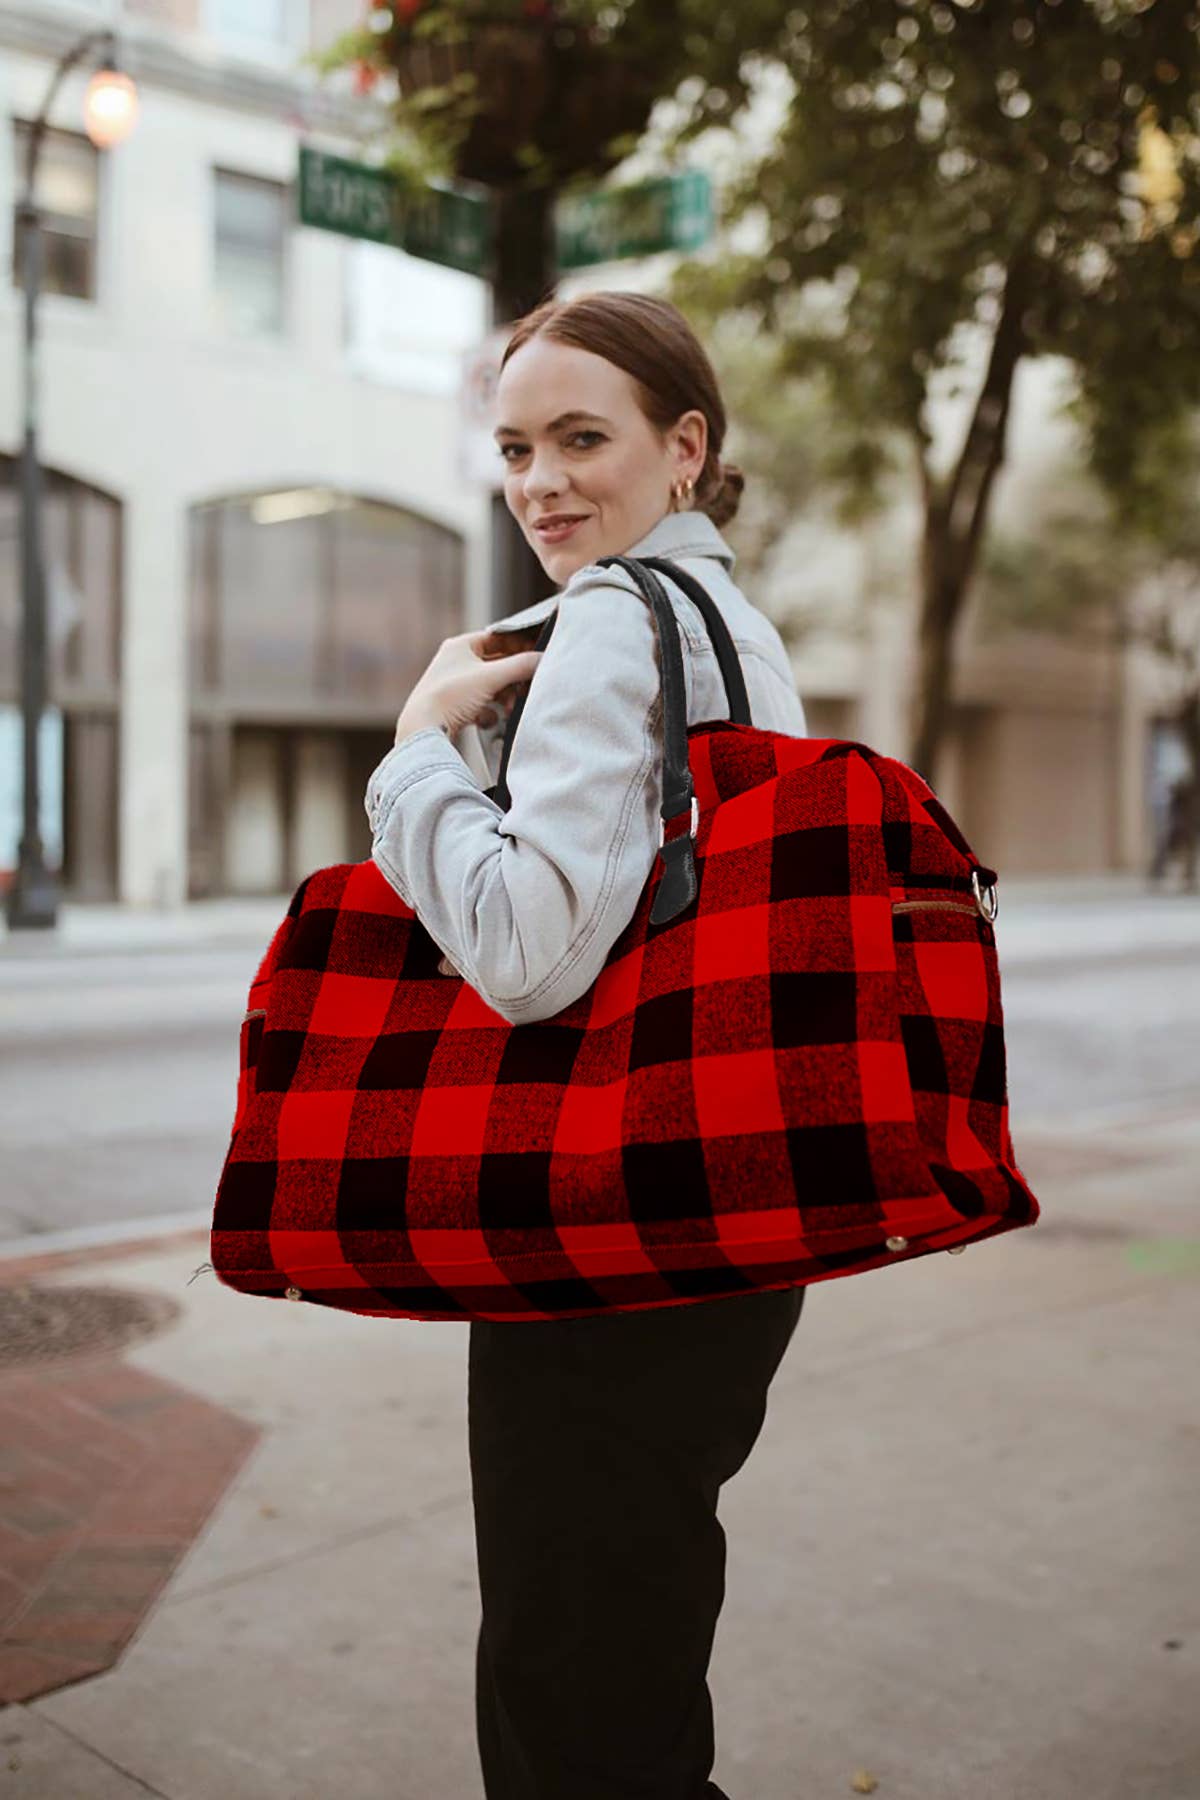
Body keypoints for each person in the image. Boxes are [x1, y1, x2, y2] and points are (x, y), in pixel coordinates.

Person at [363, 291, 810, 1800]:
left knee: (570, 1698)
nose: (540, 482)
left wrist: (420, 753)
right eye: (512, 447)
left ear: (683, 448)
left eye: (579, 439)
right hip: (727, 1213)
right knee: (636, 1654)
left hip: (599, 1234)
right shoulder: (731, 625)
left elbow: (530, 953)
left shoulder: (618, 617)